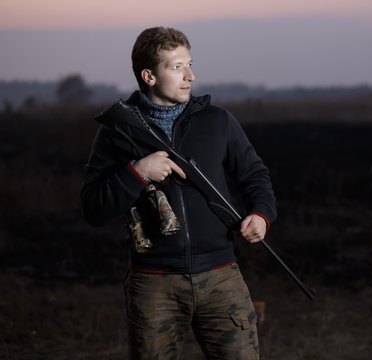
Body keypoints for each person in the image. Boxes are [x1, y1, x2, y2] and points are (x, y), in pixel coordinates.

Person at [81, 26, 277, 359]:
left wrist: (261, 213)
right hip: (153, 283)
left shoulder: (218, 121)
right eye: (176, 67)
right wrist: (138, 172)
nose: (190, 76)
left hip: (220, 277)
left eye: (190, 64)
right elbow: (93, 208)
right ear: (149, 75)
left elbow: (254, 174)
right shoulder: (116, 132)